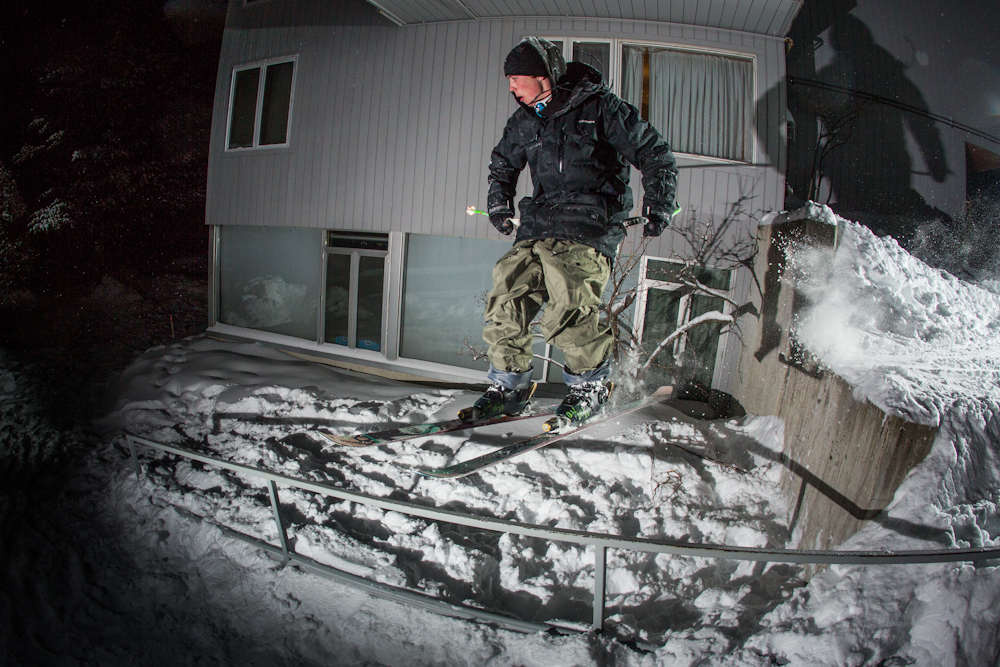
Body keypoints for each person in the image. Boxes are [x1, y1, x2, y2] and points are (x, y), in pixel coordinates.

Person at [465, 36, 678, 424]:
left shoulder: (600, 109)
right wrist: (499, 203)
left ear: (543, 76)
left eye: (517, 79)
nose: (511, 87)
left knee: (567, 304)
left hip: (588, 223)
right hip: (538, 223)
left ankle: (589, 387)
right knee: (505, 295)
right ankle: (508, 387)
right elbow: (502, 165)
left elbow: (655, 153)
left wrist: (658, 204)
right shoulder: (524, 121)